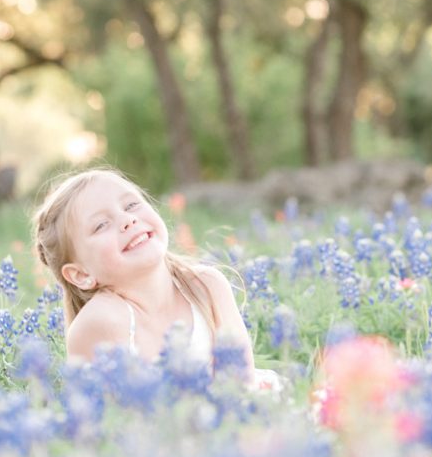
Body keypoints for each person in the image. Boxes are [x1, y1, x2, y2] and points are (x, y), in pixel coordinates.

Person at [33, 167, 279, 390]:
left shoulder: (208, 286)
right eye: (101, 225)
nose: (127, 220)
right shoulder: (102, 319)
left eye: (131, 206)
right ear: (81, 275)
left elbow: (243, 386)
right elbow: (108, 424)